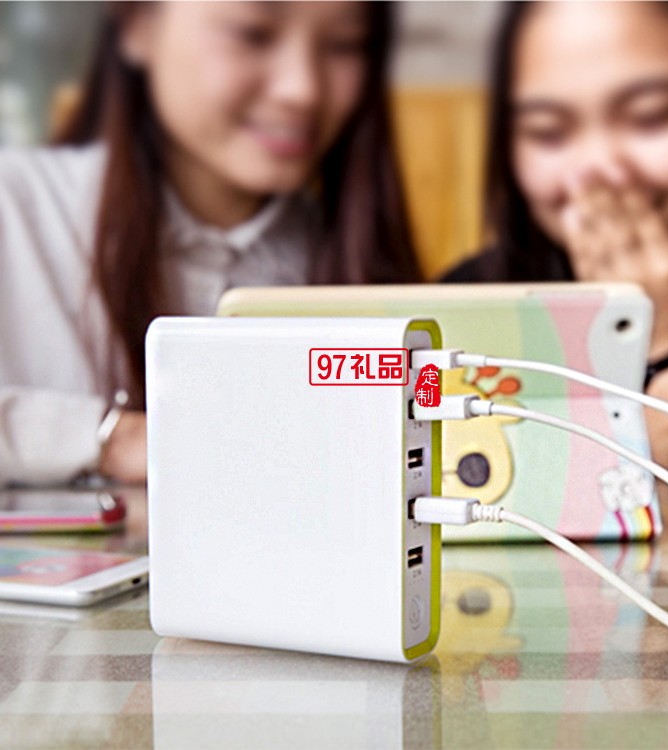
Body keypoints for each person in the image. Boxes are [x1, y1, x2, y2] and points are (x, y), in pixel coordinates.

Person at [0, 1, 419, 487]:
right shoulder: (17, 210)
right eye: (252, 33)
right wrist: (111, 440)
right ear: (137, 24)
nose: (302, 88)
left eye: (345, 45)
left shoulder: (363, 268)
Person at [445, 1, 668, 479]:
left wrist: (667, 352)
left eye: (652, 116)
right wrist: (631, 437)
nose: (601, 170)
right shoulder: (459, 312)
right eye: (547, 132)